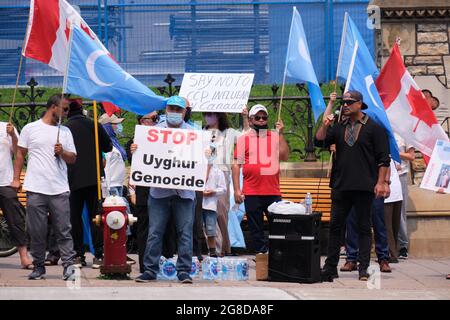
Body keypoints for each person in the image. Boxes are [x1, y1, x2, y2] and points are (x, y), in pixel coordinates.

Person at [315, 90, 390, 281]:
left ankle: (363, 268)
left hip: (364, 186)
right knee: (335, 227)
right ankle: (330, 267)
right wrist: (325, 126)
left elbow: (384, 160)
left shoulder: (374, 128)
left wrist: (381, 183)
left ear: (359, 104)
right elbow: (320, 141)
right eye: (344, 102)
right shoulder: (339, 127)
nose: (346, 105)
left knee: (364, 227)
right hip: (341, 185)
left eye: (350, 102)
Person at [12, 94, 77, 280]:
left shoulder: (65, 132)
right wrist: (16, 179)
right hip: (36, 188)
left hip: (59, 189)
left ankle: (68, 266)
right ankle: (39, 266)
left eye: (68, 110)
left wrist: (62, 151)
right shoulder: (30, 129)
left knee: (64, 230)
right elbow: (20, 155)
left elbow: (73, 158)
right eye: (64, 109)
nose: (66, 112)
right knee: (37, 231)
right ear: (53, 107)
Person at [135, 96, 197, 284]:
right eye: (172, 108)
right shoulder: (154, 132)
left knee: (185, 233)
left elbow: (205, 162)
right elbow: (142, 156)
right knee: (155, 232)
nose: (175, 113)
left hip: (184, 194)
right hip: (159, 193)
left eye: (179, 110)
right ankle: (149, 270)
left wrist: (207, 155)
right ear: (166, 110)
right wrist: (135, 149)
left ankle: (184, 271)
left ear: (184, 112)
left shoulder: (194, 133)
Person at [232, 104, 289, 254]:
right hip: (252, 191)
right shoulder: (243, 139)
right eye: (258, 117)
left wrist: (281, 133)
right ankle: (261, 256)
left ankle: (277, 256)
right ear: (250, 120)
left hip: (272, 191)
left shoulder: (274, 136)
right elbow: (236, 165)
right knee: (255, 229)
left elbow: (284, 156)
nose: (262, 120)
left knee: (278, 226)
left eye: (264, 117)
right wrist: (237, 189)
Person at [65, 99, 112, 269]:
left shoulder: (65, 128)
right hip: (94, 178)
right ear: (82, 110)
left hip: (72, 179)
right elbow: (108, 147)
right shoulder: (94, 125)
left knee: (74, 218)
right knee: (96, 218)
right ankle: (99, 255)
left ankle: (78, 255)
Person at [202, 108, 249, 256]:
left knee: (221, 212)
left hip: (222, 172)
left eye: (210, 113)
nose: (207, 117)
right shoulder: (200, 132)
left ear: (219, 115)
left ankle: (223, 248)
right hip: (204, 173)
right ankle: (212, 248)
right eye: (205, 114)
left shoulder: (229, 132)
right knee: (206, 212)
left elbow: (246, 136)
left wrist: (245, 117)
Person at [127, 111, 160, 273]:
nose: (156, 122)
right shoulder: (133, 143)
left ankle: (162, 262)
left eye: (157, 119)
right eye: (152, 119)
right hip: (144, 193)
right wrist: (134, 150)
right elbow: (134, 163)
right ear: (142, 121)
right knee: (144, 229)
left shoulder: (162, 138)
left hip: (163, 192)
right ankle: (145, 265)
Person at [0, 121, 33, 269]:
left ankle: (24, 257)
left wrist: (13, 134)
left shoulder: (5, 127)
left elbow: (18, 151)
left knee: (16, 220)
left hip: (4, 181)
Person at [202, 145, 227, 257]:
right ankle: (197, 252)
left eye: (210, 153)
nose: (208, 155)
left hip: (210, 204)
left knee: (211, 229)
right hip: (198, 203)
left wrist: (213, 191)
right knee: (197, 228)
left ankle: (212, 251)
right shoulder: (198, 169)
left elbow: (223, 188)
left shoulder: (218, 172)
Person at [395, 133, 415, 260]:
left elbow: (411, 156)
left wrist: (394, 153)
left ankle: (403, 246)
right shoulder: (382, 129)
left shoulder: (404, 133)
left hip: (400, 174)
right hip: (383, 174)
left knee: (400, 211)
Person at [383, 159, 403, 263]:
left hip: (389, 192)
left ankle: (391, 253)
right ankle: (393, 252)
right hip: (396, 192)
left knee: (388, 226)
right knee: (393, 226)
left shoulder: (385, 154)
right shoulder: (393, 155)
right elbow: (399, 167)